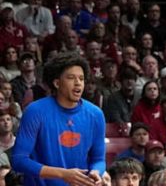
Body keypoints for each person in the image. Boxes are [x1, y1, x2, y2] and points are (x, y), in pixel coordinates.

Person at [12, 51, 107, 186]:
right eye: (71, 78)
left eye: (81, 78)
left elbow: (99, 159)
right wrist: (63, 174)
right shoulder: (35, 111)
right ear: (57, 83)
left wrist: (96, 172)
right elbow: (19, 160)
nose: (78, 83)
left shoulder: (96, 114)